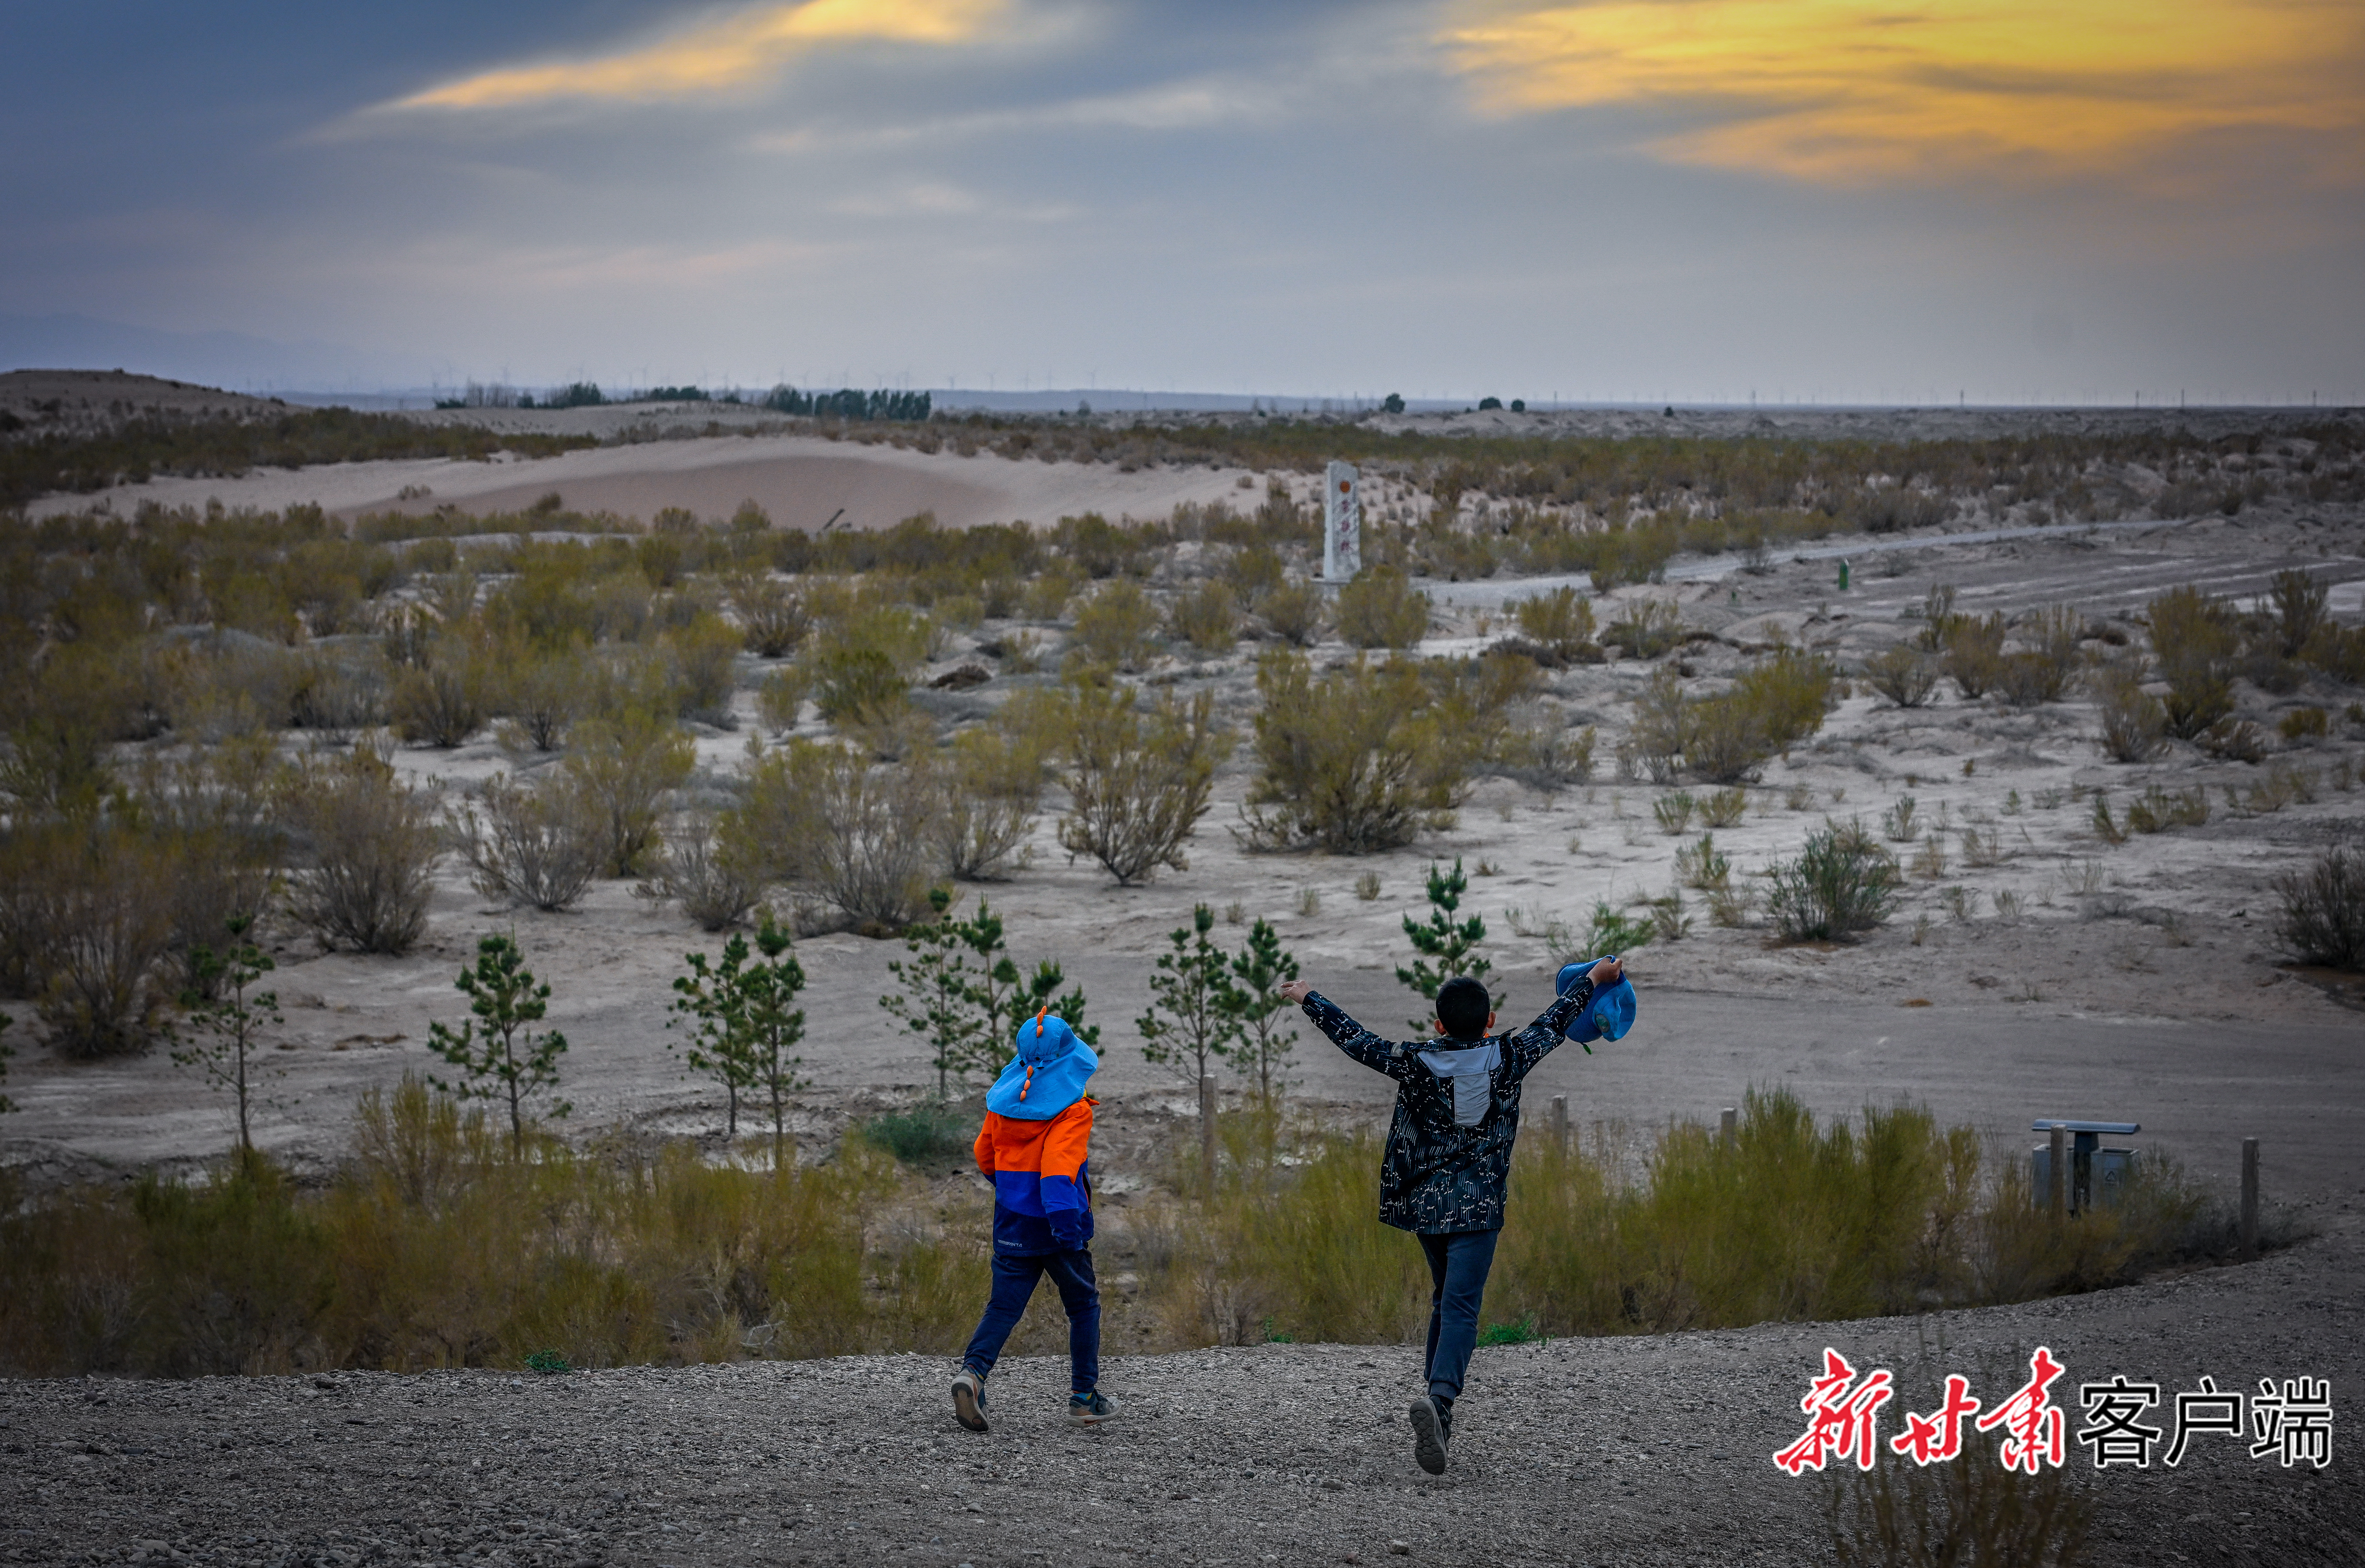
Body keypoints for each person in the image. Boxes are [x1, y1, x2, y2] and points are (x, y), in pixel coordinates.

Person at [1276, 957, 1623, 1475]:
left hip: (1427, 1209)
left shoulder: (1415, 1061)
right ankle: (1439, 1404)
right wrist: (1593, 981)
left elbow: (1358, 1041)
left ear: (1437, 1025)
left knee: (1445, 1298)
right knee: (1461, 1306)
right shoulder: (1511, 1055)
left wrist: (1309, 998)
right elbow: (1556, 1020)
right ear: (1491, 1020)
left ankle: (1441, 1412)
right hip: (1478, 1207)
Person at [951, 1007, 1118, 1432]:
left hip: (1012, 1221)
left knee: (1004, 1306)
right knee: (1083, 1306)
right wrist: (1067, 1231)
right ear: (1069, 1061)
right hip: (1058, 1224)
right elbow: (1059, 1173)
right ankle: (1084, 1398)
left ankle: (973, 1374)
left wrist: (1013, 1192)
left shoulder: (1003, 1104)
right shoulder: (1074, 1111)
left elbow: (984, 1156)